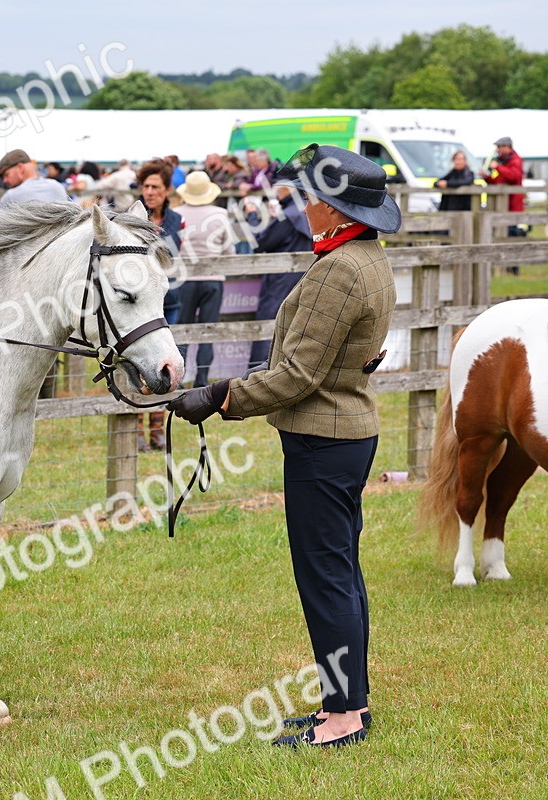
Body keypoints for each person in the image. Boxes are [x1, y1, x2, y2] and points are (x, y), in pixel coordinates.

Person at [168, 144, 399, 749]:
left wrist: (217, 396)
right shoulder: (365, 258)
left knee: (326, 577)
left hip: (324, 439)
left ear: (334, 209)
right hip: (344, 435)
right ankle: (346, 704)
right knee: (340, 574)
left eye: (314, 198)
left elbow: (295, 376)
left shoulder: (340, 270)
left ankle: (344, 718)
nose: (306, 206)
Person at [136, 158, 184, 450]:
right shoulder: (132, 218)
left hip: (170, 300)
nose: (150, 191)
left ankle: (157, 426)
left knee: (164, 363)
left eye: (155, 187)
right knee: (139, 363)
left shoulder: (176, 221)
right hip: (141, 303)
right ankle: (137, 426)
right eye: (145, 186)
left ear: (167, 190)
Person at [174, 171, 235, 388]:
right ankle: (201, 380)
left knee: (182, 330)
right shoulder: (220, 214)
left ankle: (179, 379)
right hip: (213, 279)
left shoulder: (176, 213)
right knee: (208, 330)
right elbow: (229, 251)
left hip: (184, 279)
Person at [249, 185, 312, 369]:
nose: (276, 192)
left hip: (278, 282)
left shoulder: (289, 215)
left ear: (292, 189)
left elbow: (259, 242)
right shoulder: (306, 211)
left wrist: (252, 215)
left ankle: (257, 374)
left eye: (280, 187)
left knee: (267, 325)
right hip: (301, 279)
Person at [0, 149, 68, 206]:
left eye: (6, 175)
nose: (4, 181)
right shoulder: (57, 187)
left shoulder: (10, 198)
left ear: (20, 168)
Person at [484, 136, 524, 235]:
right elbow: (501, 180)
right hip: (504, 203)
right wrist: (487, 177)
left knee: (510, 230)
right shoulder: (505, 162)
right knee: (503, 230)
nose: (498, 150)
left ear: (507, 147)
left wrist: (497, 167)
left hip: (513, 203)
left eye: (499, 147)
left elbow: (513, 176)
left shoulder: (515, 160)